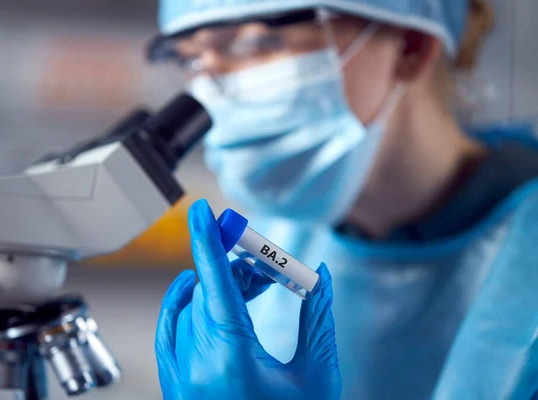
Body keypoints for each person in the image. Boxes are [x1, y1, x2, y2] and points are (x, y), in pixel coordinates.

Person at [151, 0, 538, 399]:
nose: (211, 90)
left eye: (257, 43)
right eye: (191, 59)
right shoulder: (276, 231)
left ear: (412, 46)